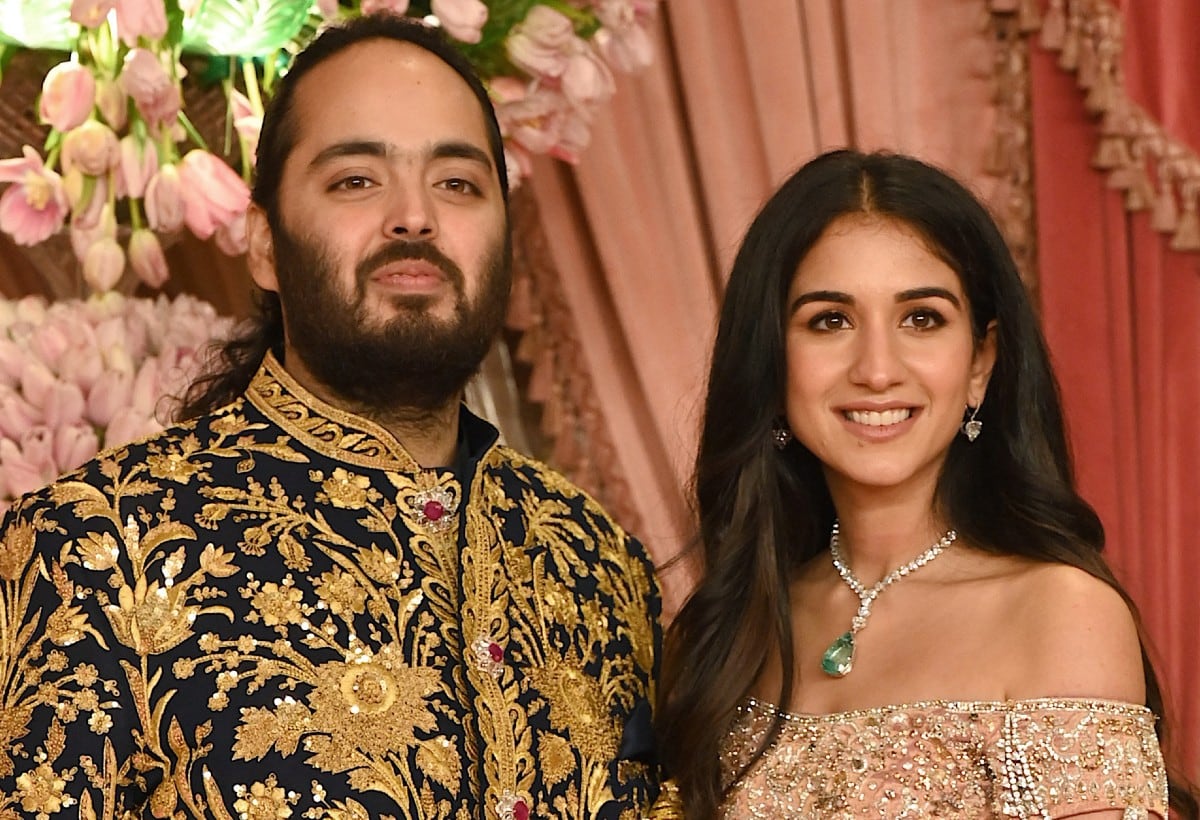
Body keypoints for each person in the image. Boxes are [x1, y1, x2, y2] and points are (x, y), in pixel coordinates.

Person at [0, 15, 662, 820]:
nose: (414, 217)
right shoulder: (95, 547)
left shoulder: (595, 562)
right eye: (356, 179)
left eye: (458, 183)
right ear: (266, 243)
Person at [652, 149, 1197, 818]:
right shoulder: (733, 628)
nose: (877, 369)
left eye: (921, 319)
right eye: (830, 320)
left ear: (980, 363)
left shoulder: (1058, 611)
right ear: (770, 361)